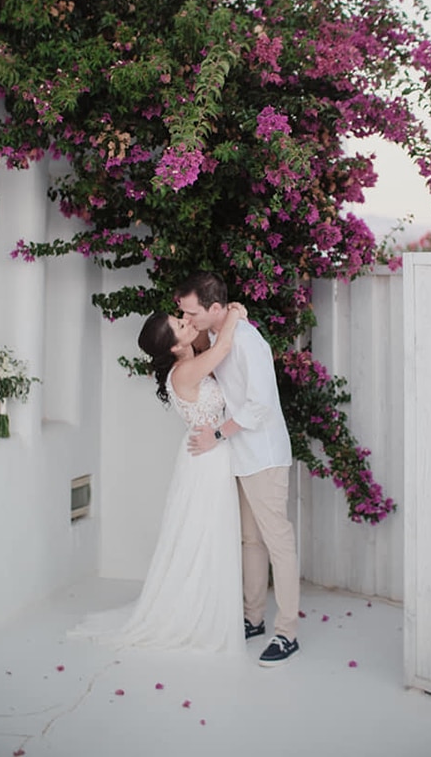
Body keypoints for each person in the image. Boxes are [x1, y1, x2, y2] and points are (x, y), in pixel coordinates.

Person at [69, 302, 247, 654]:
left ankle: (207, 605)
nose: (187, 322)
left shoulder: (190, 362)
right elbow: (224, 347)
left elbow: (219, 354)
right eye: (181, 325)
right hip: (205, 458)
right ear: (173, 346)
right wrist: (235, 317)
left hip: (208, 453)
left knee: (207, 533)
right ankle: (194, 613)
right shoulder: (184, 372)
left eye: (182, 318)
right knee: (202, 534)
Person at [176, 271, 300, 667]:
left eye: (192, 312)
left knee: (277, 542)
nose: (188, 318)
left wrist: (216, 433)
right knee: (250, 542)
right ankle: (253, 618)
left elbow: (260, 403)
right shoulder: (216, 336)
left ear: (215, 308)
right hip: (239, 455)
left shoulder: (247, 341)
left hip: (263, 455)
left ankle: (287, 632)